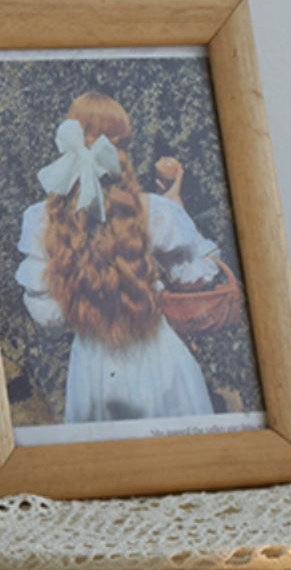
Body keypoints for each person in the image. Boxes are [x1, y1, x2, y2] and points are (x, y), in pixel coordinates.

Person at [15, 92, 220, 425]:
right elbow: (200, 275)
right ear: (123, 148)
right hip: (159, 362)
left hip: (92, 372)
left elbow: (49, 316)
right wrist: (176, 205)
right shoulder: (156, 212)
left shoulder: (42, 219)